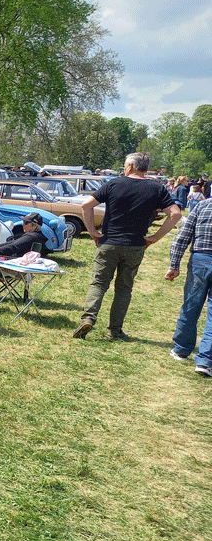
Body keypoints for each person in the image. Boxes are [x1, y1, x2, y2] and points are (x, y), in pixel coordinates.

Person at [73, 152, 181, 340]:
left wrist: (92, 232)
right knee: (124, 289)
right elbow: (176, 214)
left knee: (99, 283)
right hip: (135, 245)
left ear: (130, 166)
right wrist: (155, 237)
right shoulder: (157, 188)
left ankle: (88, 318)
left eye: (124, 165)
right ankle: (115, 330)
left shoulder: (114, 183)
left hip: (109, 243)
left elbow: (86, 205)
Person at [165, 195, 212, 375]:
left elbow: (182, 237)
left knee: (191, 305)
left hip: (200, 260)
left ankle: (182, 349)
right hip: (201, 258)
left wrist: (174, 266)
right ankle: (205, 360)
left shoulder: (202, 206)